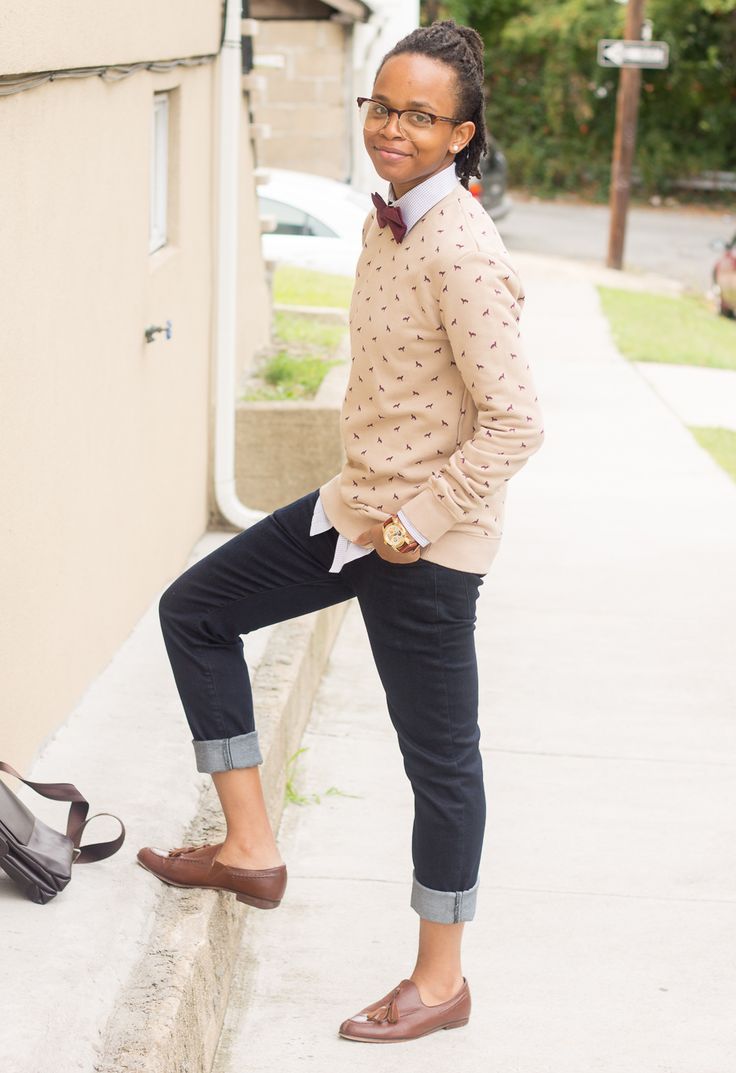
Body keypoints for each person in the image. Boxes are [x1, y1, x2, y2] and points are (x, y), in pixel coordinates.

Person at [137, 18, 544, 1044]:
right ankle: (249, 846)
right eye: (381, 104)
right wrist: (373, 503)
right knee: (197, 607)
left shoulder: (462, 249)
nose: (391, 127)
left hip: (422, 546)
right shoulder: (385, 219)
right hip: (347, 510)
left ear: (461, 134)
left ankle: (441, 979)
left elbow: (517, 422)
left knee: (440, 763)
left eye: (418, 114)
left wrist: (417, 518)